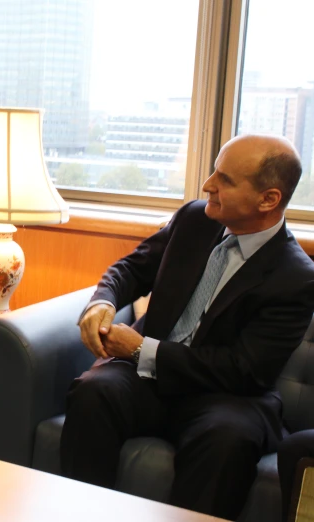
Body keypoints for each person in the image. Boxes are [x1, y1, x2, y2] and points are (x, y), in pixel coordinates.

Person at [60, 133, 314, 520]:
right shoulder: (195, 220)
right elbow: (132, 268)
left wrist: (139, 349)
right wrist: (104, 300)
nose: (208, 184)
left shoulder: (296, 277)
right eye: (214, 171)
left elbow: (243, 370)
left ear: (268, 199)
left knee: (228, 438)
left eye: (225, 179)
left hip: (227, 396)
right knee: (94, 390)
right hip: (145, 380)